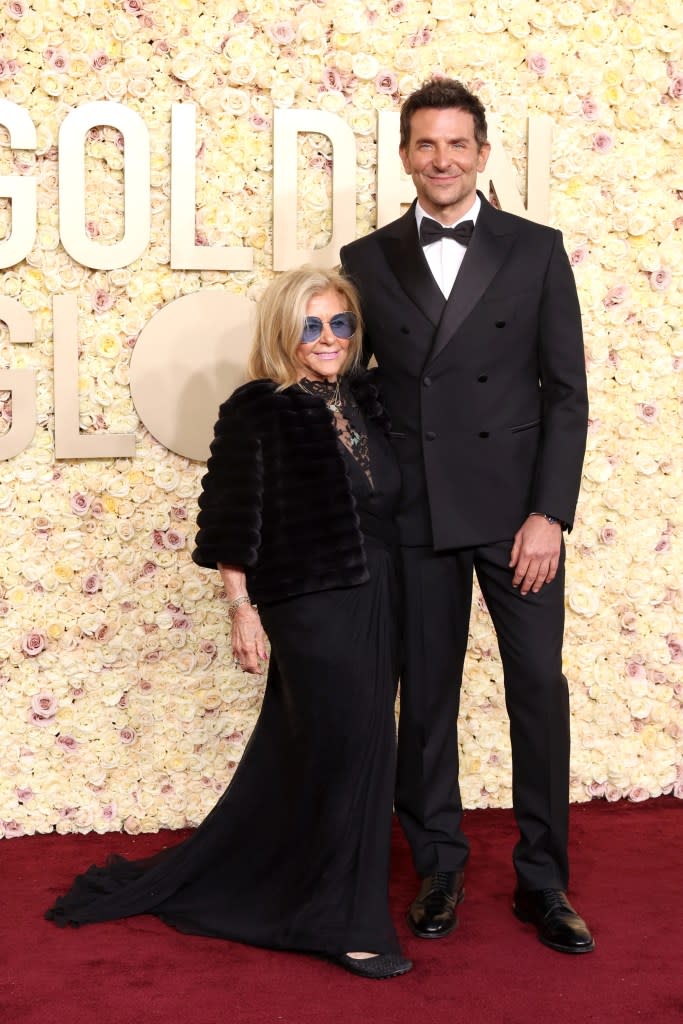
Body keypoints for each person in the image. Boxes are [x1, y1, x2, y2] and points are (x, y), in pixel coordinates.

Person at [46, 266, 412, 980]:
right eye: (311, 325)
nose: (328, 338)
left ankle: (289, 885)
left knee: (339, 750)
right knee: (350, 750)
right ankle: (345, 922)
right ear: (284, 331)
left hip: (379, 594)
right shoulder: (258, 408)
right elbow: (230, 519)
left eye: (340, 323)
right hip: (308, 602)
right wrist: (241, 610)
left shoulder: (364, 399)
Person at [340, 77, 594, 955]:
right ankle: (439, 867)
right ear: (405, 154)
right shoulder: (365, 258)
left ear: (482, 153)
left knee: (537, 693)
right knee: (429, 700)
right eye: (424, 144)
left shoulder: (535, 249)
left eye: (457, 144)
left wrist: (547, 514)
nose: (441, 160)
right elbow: (352, 388)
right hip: (414, 516)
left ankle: (543, 881)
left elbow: (565, 394)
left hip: (515, 516)